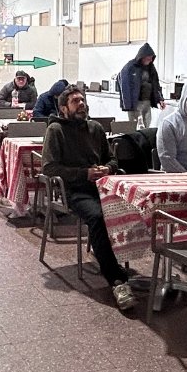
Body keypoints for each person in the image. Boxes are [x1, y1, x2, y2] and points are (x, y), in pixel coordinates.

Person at [41, 87, 134, 311]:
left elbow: (112, 159)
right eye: (75, 101)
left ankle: (119, 260)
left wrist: (107, 168)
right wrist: (84, 173)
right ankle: (116, 280)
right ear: (64, 108)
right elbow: (49, 167)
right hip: (74, 191)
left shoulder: (95, 128)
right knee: (98, 217)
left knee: (133, 207)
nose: (81, 104)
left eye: (82, 100)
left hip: (102, 187)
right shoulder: (55, 130)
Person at [118, 43, 166, 129]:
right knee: (135, 128)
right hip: (135, 104)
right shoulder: (130, 67)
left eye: (151, 58)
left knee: (146, 126)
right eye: (148, 58)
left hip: (147, 102)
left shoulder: (151, 68)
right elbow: (122, 82)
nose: (150, 60)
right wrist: (127, 104)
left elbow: (156, 84)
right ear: (142, 57)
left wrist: (160, 99)